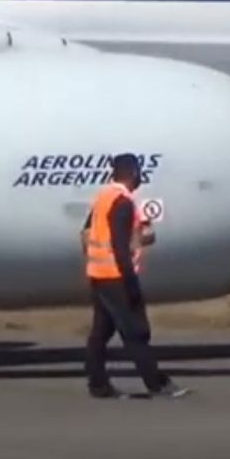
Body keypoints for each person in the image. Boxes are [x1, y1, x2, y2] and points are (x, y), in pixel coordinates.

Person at [81, 153, 189, 400]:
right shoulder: (122, 202)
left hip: (98, 275)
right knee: (136, 333)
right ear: (132, 173)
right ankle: (157, 384)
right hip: (116, 277)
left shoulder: (103, 197)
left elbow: (86, 232)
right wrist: (129, 282)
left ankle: (98, 385)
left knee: (101, 333)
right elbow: (120, 246)